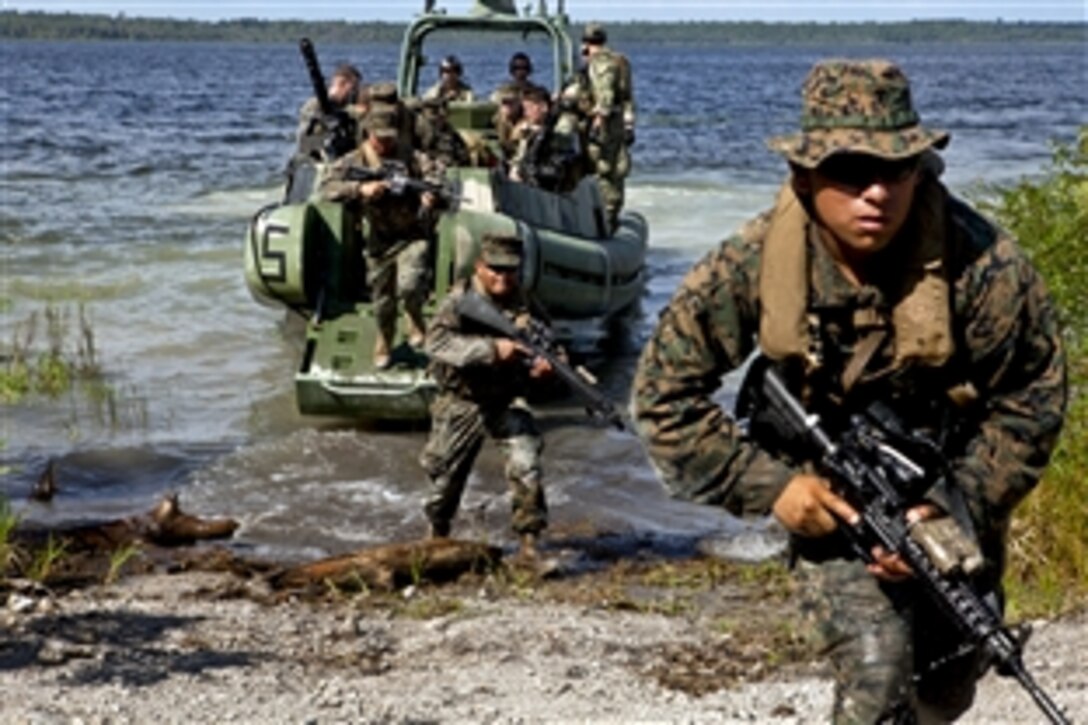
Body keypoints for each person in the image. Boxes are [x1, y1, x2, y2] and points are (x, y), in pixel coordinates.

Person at [631, 59, 1066, 724]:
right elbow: (662, 394)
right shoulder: (748, 262)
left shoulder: (983, 264)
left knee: (951, 675)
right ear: (804, 176)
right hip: (829, 496)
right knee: (878, 667)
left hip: (950, 488)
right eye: (850, 171)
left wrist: (957, 503)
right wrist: (774, 488)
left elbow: (1034, 392)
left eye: (896, 170)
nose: (877, 193)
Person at [420, 234, 556, 559]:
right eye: (495, 269)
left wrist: (543, 368)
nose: (502, 277)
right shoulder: (459, 302)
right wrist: (492, 350)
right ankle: (435, 540)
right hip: (461, 400)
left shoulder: (526, 303)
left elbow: (549, 342)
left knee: (527, 464)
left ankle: (529, 546)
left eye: (510, 270)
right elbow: (436, 344)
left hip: (506, 400)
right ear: (480, 266)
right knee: (443, 485)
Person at [317, 104, 444, 368]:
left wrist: (431, 194)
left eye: (390, 138)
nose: (385, 143)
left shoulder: (411, 158)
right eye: (379, 138)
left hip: (413, 235)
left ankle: (414, 319)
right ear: (368, 134)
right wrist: (360, 189)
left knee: (410, 284)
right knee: (382, 299)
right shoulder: (356, 160)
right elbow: (326, 187)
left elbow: (437, 177)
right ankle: (384, 341)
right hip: (379, 240)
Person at [581, 23, 634, 230]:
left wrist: (598, 121)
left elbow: (606, 97)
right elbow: (628, 98)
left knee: (603, 170)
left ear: (586, 44)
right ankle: (611, 215)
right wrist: (629, 125)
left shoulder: (601, 63)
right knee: (616, 171)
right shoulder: (621, 61)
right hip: (619, 123)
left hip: (606, 126)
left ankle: (605, 219)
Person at [509, 85, 581, 192]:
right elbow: (521, 156)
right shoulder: (530, 127)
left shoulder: (563, 122)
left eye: (529, 108)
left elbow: (562, 144)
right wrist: (515, 168)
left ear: (543, 107)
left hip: (561, 180)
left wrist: (539, 132)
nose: (526, 113)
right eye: (524, 109)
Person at [296, 62, 365, 157]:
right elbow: (304, 142)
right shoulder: (314, 106)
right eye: (353, 89)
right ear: (342, 84)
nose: (355, 93)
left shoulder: (344, 109)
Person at [419, 96, 472, 169]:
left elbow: (462, 154)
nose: (440, 115)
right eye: (433, 112)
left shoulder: (450, 131)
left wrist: (453, 162)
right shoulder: (421, 128)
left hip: (448, 166)